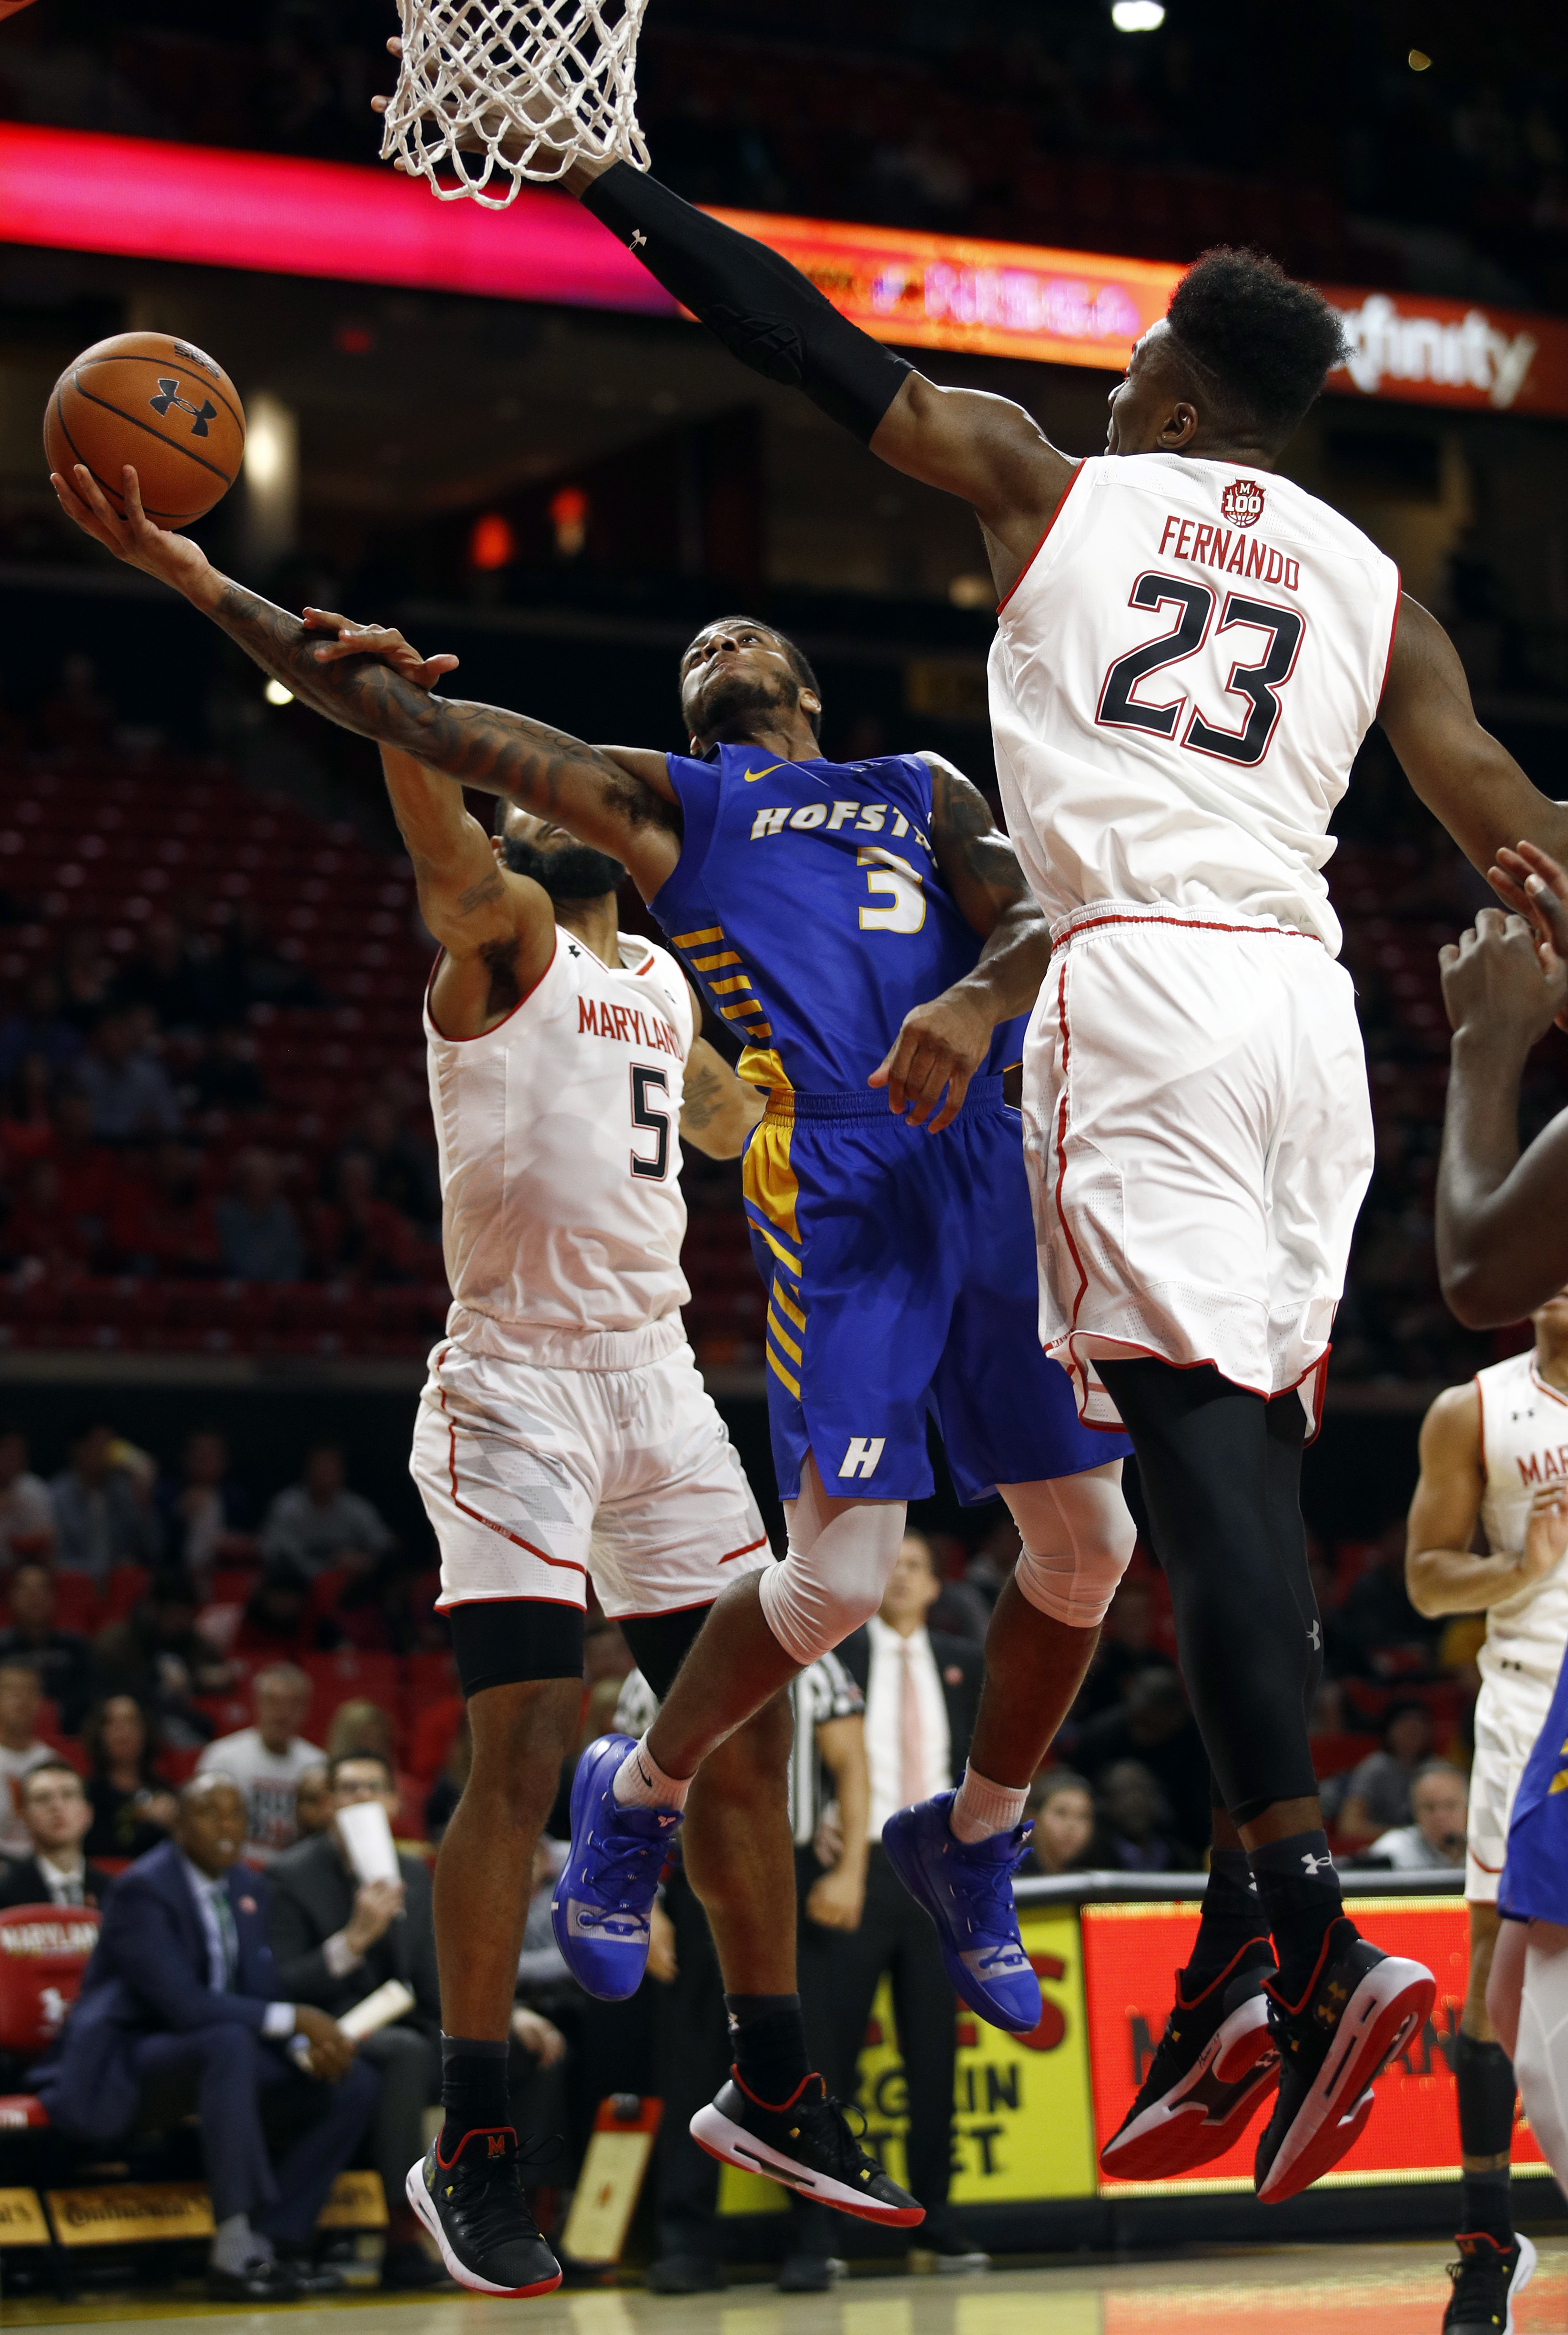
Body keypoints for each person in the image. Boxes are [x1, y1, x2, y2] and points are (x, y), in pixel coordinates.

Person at [493, 150, 1568, 2198]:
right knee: (1227, 1473)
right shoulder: (1374, 584)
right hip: (1309, 1024)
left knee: (1203, 1484)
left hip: (1136, 999)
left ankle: (1314, 1936)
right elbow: (1514, 815)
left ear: (1168, 399)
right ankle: (1244, 1965)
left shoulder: (1056, 486)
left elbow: (807, 347)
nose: (1112, 391)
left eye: (1131, 363)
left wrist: (624, 191)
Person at [50, 455, 1143, 2119]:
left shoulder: (917, 782)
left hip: (966, 1151)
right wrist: (206, 582)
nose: (718, 637)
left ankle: (965, 1845)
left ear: (813, 687)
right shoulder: (657, 816)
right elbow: (433, 737)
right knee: (834, 1586)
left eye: (744, 626)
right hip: (798, 1195)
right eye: (692, 639)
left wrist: (968, 1010)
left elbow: (1036, 924)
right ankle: (630, 1819)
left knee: (1099, 1544)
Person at [33, 1774, 377, 2301]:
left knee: (352, 2079)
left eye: (235, 1814)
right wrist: (292, 2019)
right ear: (179, 1823)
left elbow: (261, 1989)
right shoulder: (142, 1888)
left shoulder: (249, 1886)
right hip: (133, 2059)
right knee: (228, 2042)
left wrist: (302, 2043)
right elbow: (183, 2005)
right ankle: (234, 2250)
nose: (225, 1826)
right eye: (208, 1812)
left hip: (221, 2057)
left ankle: (279, 2241)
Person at [834, 1533, 989, 2271]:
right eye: (888, 1564)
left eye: (916, 1567)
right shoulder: (835, 1654)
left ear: (935, 1586)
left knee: (934, 2060)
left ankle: (938, 2216)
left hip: (935, 1877)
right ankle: (817, 2232)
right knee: (831, 2059)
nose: (900, 1576)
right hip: (855, 1872)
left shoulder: (965, 1663)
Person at [267, 1750, 448, 2290]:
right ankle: (400, 2240)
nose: (362, 1798)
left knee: (525, 2051)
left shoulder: (414, 1872)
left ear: (394, 1801)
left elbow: (435, 1980)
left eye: (374, 1786)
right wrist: (353, 1940)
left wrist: (511, 2016)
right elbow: (282, 1984)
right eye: (347, 1789)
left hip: (407, 2028)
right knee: (402, 2054)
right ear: (326, 1805)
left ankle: (530, 2224)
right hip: (330, 2035)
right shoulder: (290, 1874)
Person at [195, 1665, 327, 1862]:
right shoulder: (222, 1757)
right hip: (235, 1869)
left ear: (305, 1709)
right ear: (257, 1703)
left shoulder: (319, 1764)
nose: (282, 1713)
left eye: (292, 1704)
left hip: (296, 1877)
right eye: (273, 1701)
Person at [50, 1423, 163, 1585]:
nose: (105, 1453)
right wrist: (102, 1574)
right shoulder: (58, 1496)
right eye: (99, 1445)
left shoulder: (125, 1492)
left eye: (109, 1446)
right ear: (79, 1449)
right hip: (77, 1588)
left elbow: (153, 1550)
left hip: (121, 1588)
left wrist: (144, 1504)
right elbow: (57, 1560)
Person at [259, 1445, 394, 1581]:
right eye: (319, 1466)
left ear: (342, 1472)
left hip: (346, 1586)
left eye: (330, 1467)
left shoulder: (356, 1508)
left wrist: (366, 1561)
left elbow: (385, 1545)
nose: (324, 1472)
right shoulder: (287, 1506)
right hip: (298, 1585)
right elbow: (275, 1553)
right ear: (307, 1470)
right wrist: (326, 1569)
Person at [0, 1759, 115, 1909]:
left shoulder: (112, 1892)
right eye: (42, 1798)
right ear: (24, 1818)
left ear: (88, 1813)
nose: (57, 1807)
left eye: (68, 1795)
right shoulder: (6, 1893)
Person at [0, 1558, 94, 1731]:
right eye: (26, 1590)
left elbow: (90, 1701)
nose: (34, 1597)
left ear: (54, 1597)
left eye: (41, 1590)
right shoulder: (3, 1649)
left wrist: (53, 1714)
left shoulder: (77, 1649)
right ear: (12, 1597)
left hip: (69, 1739)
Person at [81, 1694, 178, 1861]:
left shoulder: (167, 1794)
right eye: (112, 1723)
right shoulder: (85, 1795)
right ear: (99, 1734)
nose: (123, 1731)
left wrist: (175, 1825)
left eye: (131, 1722)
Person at [1335, 1701, 1436, 1848]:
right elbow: (1349, 1826)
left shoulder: (1438, 1769)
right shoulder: (1374, 1768)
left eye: (1418, 1725)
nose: (1412, 1731)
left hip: (1433, 1852)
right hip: (1384, 1850)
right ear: (1389, 1729)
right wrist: (1406, 1836)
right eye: (1405, 1725)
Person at [213, 1148, 304, 1282]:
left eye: (267, 1180)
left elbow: (292, 1257)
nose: (262, 1186)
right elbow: (232, 1259)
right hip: (240, 1287)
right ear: (243, 1182)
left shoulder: (283, 1213)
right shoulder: (228, 1213)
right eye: (256, 1179)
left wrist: (281, 1286)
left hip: (280, 1287)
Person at [1364, 1762, 1469, 1874]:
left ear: (1468, 1809)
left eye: (1450, 1805)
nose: (1440, 1816)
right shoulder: (1394, 1850)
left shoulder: (1485, 1848)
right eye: (1429, 1807)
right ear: (1414, 1813)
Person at [0, 1661, 54, 1859]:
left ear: (40, 1701)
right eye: (11, 1691)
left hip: (40, 1867)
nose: (21, 1699)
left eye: (29, 1691)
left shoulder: (52, 1763)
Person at [1028, 1770, 1104, 1877]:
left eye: (1083, 1816)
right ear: (1033, 1818)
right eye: (1061, 1813)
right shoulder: (1007, 1876)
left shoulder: (1097, 1874)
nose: (1072, 1826)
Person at [0, 1429, 54, 1574]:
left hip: (20, 1573)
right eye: (7, 1453)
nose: (14, 1459)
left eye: (18, 1454)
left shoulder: (34, 1490)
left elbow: (46, 1538)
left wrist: (24, 1542)